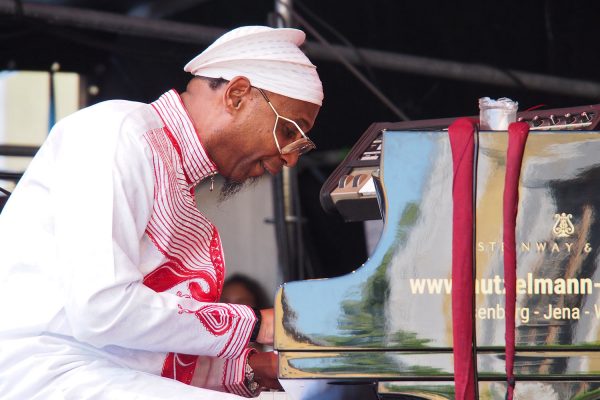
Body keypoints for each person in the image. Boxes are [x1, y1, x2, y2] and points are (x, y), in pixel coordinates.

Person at [0, 26, 323, 399]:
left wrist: (247, 367)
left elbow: (145, 343)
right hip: (42, 374)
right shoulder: (116, 133)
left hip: (94, 370)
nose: (291, 158)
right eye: (289, 132)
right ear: (236, 95)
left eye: (301, 144)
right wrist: (256, 326)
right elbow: (104, 310)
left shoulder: (166, 164)